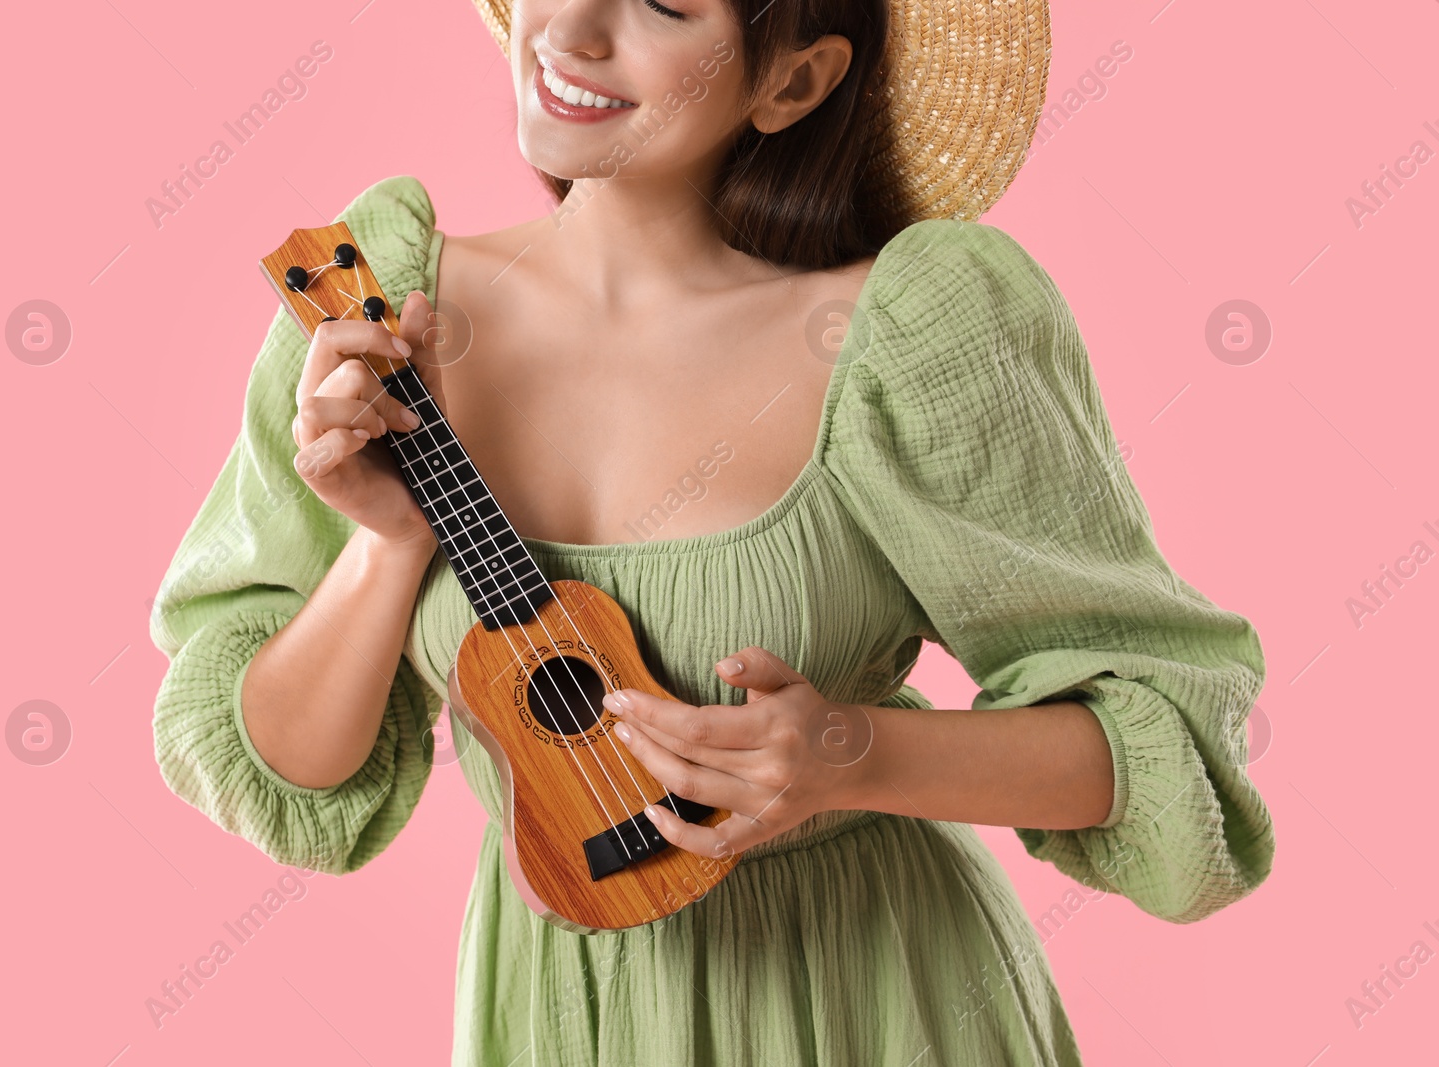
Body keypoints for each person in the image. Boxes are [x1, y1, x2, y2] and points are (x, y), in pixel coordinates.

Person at [149, 0, 1275, 1062]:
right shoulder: (377, 310)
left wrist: (851, 753)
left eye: (664, 5)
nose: (575, 28)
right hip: (553, 1010)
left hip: (868, 996)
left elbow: (1167, 744)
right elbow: (287, 773)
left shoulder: (905, 329)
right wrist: (388, 544)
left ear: (792, 79)